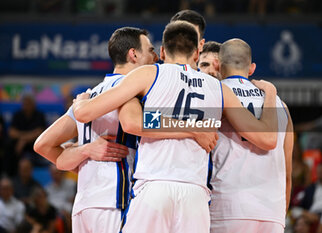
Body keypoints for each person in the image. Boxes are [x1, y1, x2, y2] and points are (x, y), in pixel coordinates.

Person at [73, 21, 278, 233]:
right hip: (195, 195)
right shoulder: (218, 88)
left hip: (154, 186)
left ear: (162, 51)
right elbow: (268, 139)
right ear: (197, 53)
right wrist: (270, 93)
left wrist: (80, 102)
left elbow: (110, 118)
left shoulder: (149, 74)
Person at [34, 26, 215, 233]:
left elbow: (43, 145)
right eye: (150, 50)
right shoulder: (130, 91)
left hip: (84, 205)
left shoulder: (89, 96)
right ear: (133, 54)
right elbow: (138, 121)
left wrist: (84, 150)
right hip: (115, 201)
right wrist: (194, 127)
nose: (156, 57)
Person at [207, 38, 293, 233]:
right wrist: (280, 214)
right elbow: (288, 173)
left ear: (217, 65)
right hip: (272, 212)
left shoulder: (214, 95)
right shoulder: (281, 105)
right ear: (251, 68)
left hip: (228, 207)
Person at [5, 94, 46, 176]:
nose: (26, 106)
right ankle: (9, 175)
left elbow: (40, 132)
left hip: (34, 146)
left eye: (28, 104)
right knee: (9, 147)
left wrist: (23, 139)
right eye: (24, 104)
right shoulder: (18, 115)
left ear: (33, 104)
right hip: (19, 147)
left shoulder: (39, 115)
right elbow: (12, 132)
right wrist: (25, 137)